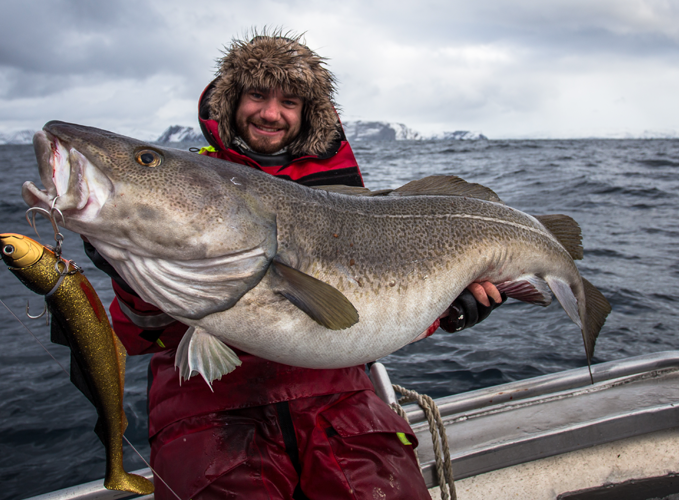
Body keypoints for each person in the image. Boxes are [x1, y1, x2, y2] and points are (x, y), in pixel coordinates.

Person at [85, 31, 504, 500]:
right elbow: (136, 336)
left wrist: (451, 306)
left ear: (307, 113)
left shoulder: (350, 198)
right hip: (210, 414)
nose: (270, 113)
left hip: (342, 406)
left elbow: (376, 307)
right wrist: (128, 270)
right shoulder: (183, 185)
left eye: (289, 101)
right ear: (232, 101)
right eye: (257, 95)